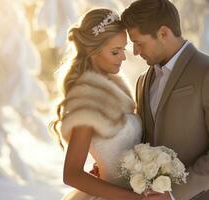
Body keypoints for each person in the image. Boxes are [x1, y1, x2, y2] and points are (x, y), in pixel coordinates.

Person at [120, 0, 209, 199]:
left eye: (139, 43)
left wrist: (175, 193)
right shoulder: (143, 81)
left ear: (163, 33)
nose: (135, 52)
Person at [50, 8, 158, 200]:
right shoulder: (87, 100)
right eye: (115, 52)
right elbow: (71, 174)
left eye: (123, 50)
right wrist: (133, 198)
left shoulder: (113, 90)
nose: (123, 57)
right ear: (93, 52)